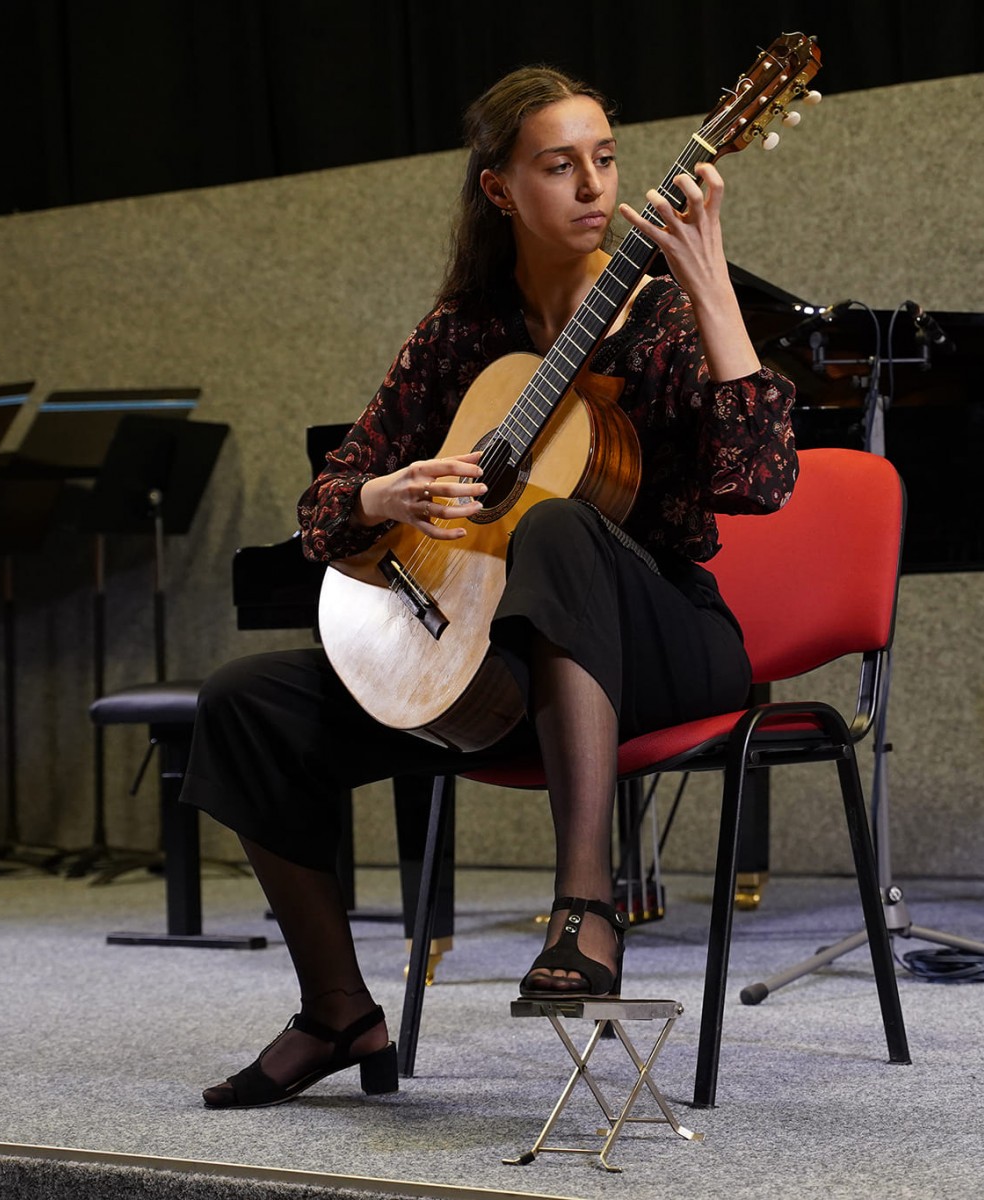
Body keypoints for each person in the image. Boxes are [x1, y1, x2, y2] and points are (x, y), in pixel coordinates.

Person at [181, 65, 798, 1109]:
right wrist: (383, 493)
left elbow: (762, 481)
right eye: (559, 165)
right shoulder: (460, 334)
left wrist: (711, 288)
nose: (593, 185)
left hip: (665, 648)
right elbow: (322, 513)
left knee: (557, 526)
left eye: (606, 159)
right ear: (499, 189)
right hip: (502, 665)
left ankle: (586, 908)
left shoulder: (661, 320)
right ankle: (338, 1012)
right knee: (243, 704)